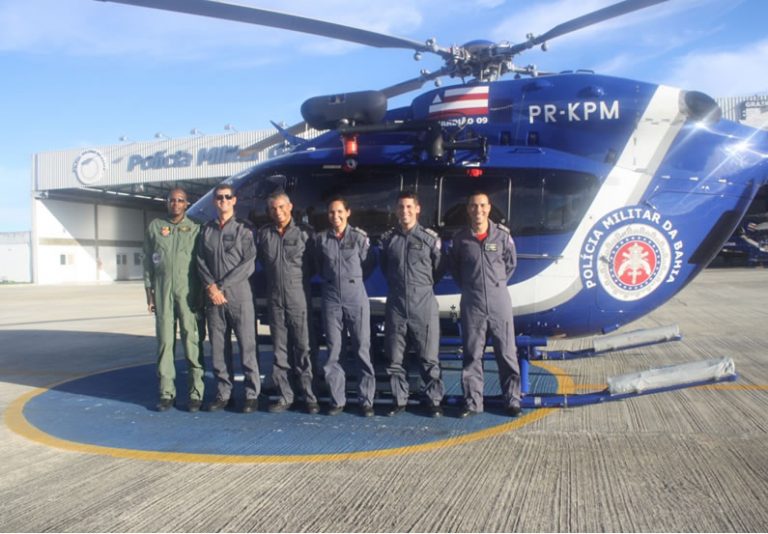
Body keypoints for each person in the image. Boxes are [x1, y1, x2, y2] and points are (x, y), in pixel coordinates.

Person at [449, 192, 522, 418]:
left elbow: (510, 264)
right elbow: (455, 268)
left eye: (482, 205)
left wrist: (494, 284)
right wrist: (474, 287)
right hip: (472, 302)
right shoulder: (460, 239)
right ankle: (473, 403)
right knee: (472, 354)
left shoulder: (502, 237)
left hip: (499, 300)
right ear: (468, 209)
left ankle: (512, 401)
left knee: (507, 353)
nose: (478, 210)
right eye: (473, 206)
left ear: (489, 208)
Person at [196, 184, 261, 413]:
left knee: (247, 347)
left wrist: (221, 285)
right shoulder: (206, 230)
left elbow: (248, 264)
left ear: (235, 200)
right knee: (218, 349)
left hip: (239, 296)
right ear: (214, 201)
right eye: (219, 197)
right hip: (214, 298)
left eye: (227, 197)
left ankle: (252, 395)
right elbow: (200, 261)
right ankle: (224, 394)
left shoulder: (244, 229)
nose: (223, 200)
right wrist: (211, 287)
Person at [380, 191, 444, 417]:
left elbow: (439, 268)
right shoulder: (389, 239)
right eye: (401, 207)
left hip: (423, 303)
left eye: (409, 207)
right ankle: (399, 400)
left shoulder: (428, 239)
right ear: (396, 211)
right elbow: (385, 267)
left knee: (428, 358)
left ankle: (433, 401)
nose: (404, 211)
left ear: (417, 209)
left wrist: (420, 288)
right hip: (397, 304)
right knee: (395, 358)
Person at [255, 191, 319, 414]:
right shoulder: (264, 235)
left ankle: (310, 396)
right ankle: (285, 395)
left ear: (290, 207)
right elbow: (264, 261)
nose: (278, 212)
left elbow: (314, 264)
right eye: (273, 208)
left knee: (304, 348)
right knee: (279, 351)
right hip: (275, 300)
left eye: (282, 207)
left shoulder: (305, 234)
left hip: (299, 298)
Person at [142, 187, 205, 412]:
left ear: (186, 204)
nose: (176, 204)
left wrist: (201, 294)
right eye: (172, 200)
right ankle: (167, 393)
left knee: (192, 341)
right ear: (167, 203)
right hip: (162, 292)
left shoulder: (196, 229)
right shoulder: (155, 228)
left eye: (180, 201)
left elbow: (201, 265)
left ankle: (196, 393)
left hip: (188, 292)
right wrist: (149, 293)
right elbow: (148, 263)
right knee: (165, 342)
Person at [314, 197, 376, 417]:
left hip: (355, 296)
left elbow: (369, 263)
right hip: (331, 297)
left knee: (361, 349)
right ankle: (337, 399)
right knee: (334, 351)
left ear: (348, 212)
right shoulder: (321, 239)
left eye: (340, 211)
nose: (336, 216)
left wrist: (352, 280)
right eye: (331, 212)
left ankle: (366, 400)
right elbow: (319, 267)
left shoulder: (359, 238)